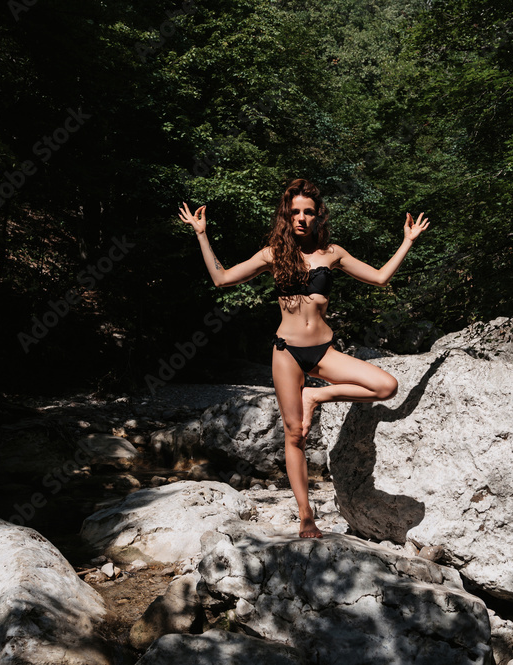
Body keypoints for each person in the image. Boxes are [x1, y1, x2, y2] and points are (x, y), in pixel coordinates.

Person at [178, 178, 429, 538]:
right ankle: (306, 516)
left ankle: (316, 395)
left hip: (323, 351)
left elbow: (379, 278)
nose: (301, 218)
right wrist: (201, 234)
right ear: (286, 215)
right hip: (287, 353)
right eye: (294, 212)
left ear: (317, 216)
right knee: (295, 434)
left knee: (386, 385)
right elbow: (222, 279)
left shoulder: (333, 254)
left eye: (307, 212)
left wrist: (407, 241)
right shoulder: (273, 254)